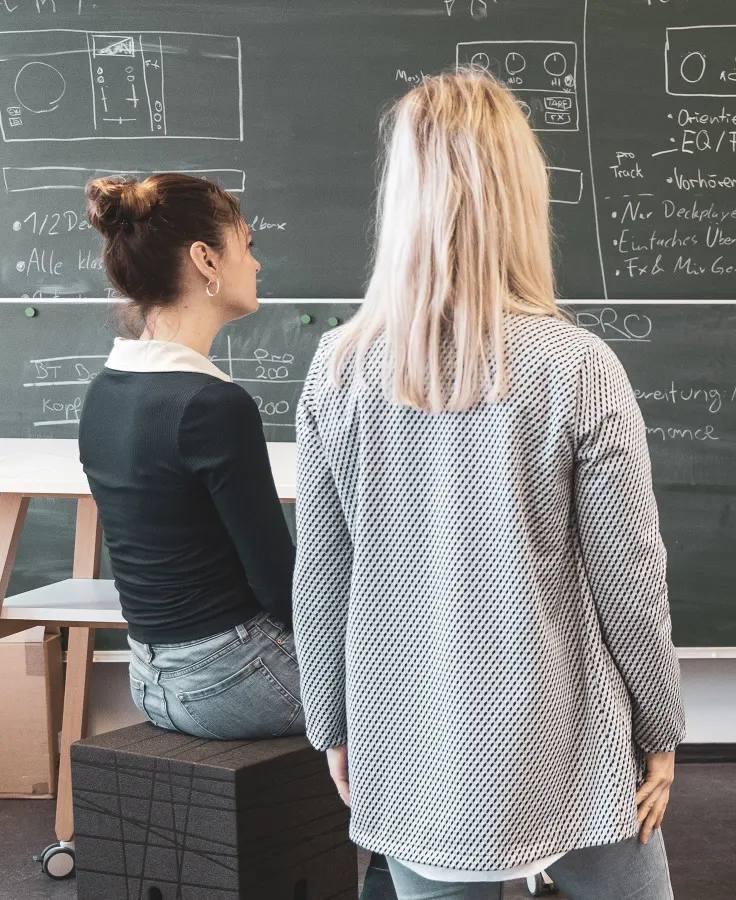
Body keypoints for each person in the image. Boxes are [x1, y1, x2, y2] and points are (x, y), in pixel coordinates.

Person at [292, 71, 684, 900]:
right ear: (521, 195)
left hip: (408, 741)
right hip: (567, 744)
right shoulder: (578, 368)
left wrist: (330, 719)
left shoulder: (338, 369)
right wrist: (660, 724)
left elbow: (321, 575)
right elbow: (630, 579)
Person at [78, 173, 304, 742]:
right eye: (246, 245)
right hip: (235, 682)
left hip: (149, 682)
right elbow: (279, 587)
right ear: (205, 258)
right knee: (419, 684)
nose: (254, 264)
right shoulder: (211, 405)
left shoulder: (104, 391)